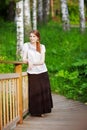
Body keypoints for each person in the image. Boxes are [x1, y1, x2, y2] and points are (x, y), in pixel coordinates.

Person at [22, 30, 53, 117]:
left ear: (38, 38)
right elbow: (23, 59)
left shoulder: (42, 46)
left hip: (42, 71)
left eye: (34, 36)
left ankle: (43, 110)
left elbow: (42, 61)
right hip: (32, 72)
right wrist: (28, 61)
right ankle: (35, 111)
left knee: (43, 91)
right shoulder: (26, 45)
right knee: (34, 91)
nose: (32, 38)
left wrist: (32, 63)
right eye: (30, 36)